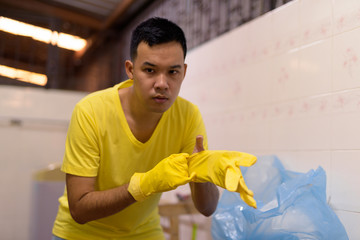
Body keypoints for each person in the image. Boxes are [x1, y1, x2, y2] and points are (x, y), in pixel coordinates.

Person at [52, 17, 220, 240]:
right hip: (80, 234)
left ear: (184, 72)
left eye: (173, 72)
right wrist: (142, 185)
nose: (162, 83)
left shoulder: (188, 116)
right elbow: (79, 208)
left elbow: (207, 208)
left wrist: (203, 174)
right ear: (130, 70)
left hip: (143, 232)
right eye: (150, 70)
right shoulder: (91, 111)